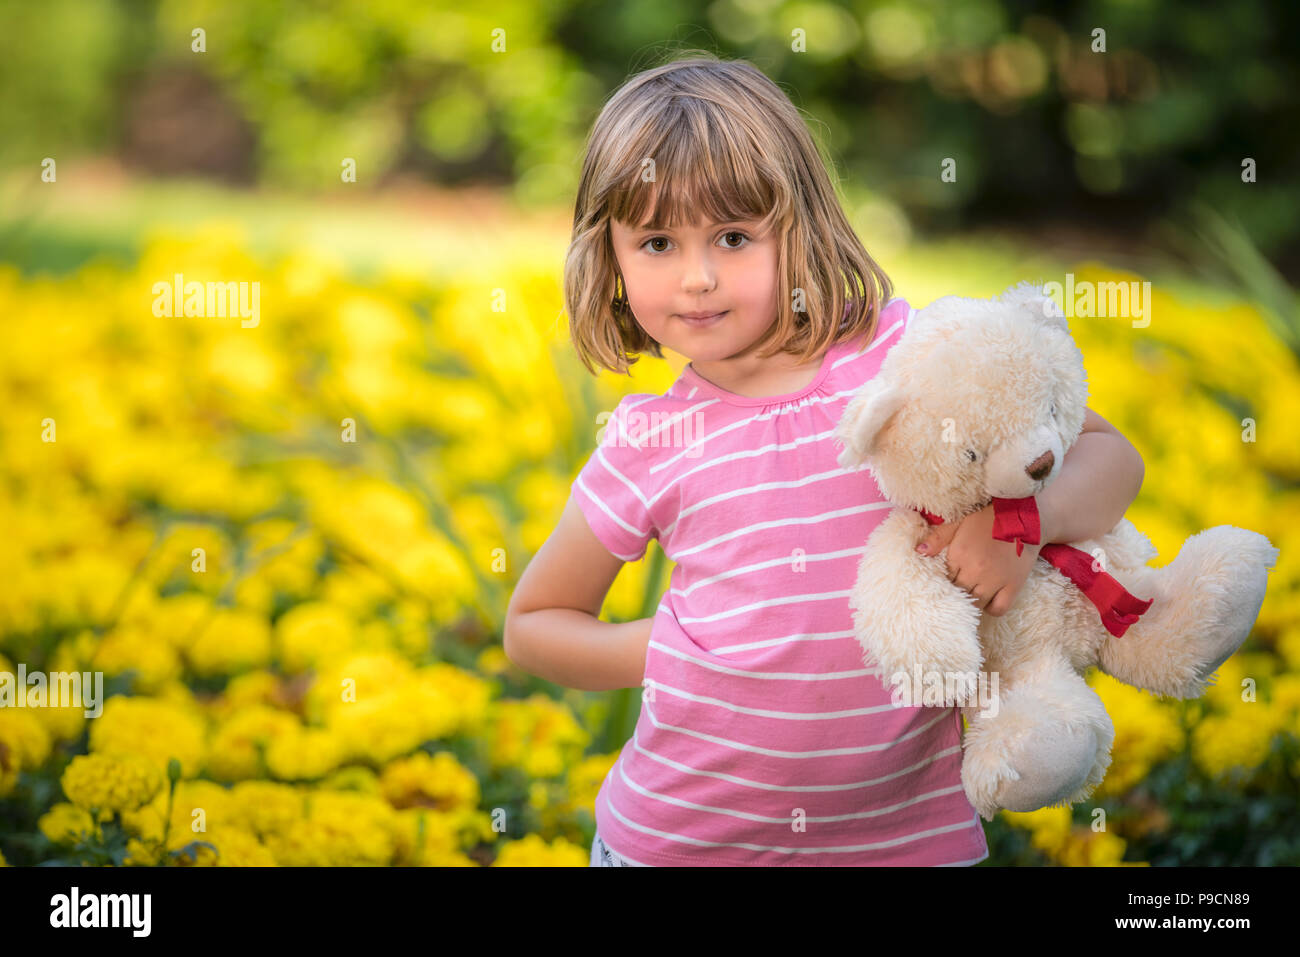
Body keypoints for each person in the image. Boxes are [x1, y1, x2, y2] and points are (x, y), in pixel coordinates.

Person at [503, 52, 1146, 866]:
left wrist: (1019, 524)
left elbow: (1111, 456)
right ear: (613, 259)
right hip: (679, 843)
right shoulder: (648, 441)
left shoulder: (902, 358)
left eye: (733, 237)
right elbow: (534, 626)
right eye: (657, 241)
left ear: (797, 224)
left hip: (909, 844)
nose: (697, 277)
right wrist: (664, 650)